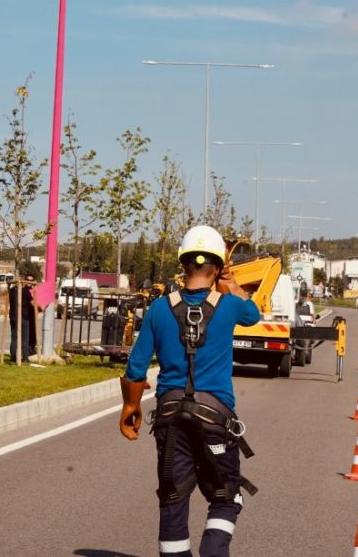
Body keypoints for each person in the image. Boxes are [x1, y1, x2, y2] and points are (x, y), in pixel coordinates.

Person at [119, 225, 260, 557]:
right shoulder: (229, 305)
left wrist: (130, 408)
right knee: (226, 496)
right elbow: (253, 314)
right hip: (216, 419)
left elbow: (135, 369)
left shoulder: (158, 308)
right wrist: (231, 282)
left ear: (183, 266)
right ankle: (213, 551)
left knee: (172, 498)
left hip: (169, 419)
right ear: (218, 266)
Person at [8, 273, 38, 364]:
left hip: (13, 317)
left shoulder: (12, 290)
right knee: (25, 338)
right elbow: (33, 303)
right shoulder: (25, 292)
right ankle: (25, 357)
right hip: (23, 317)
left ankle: (13, 358)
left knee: (14, 338)